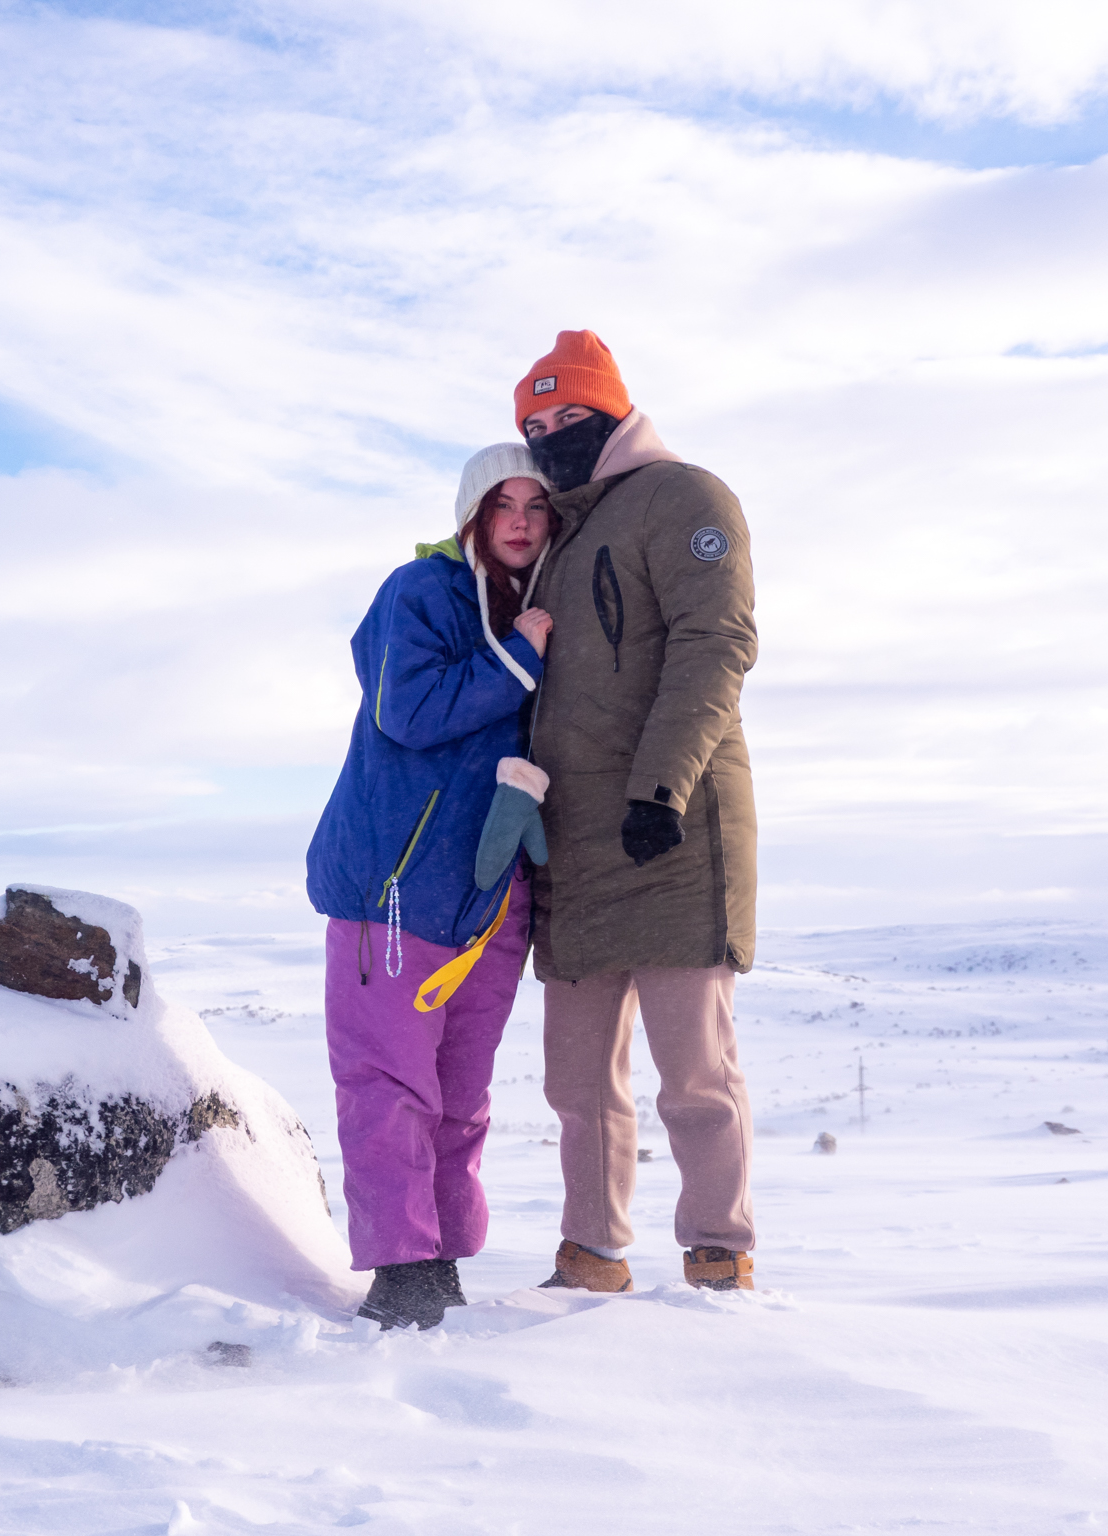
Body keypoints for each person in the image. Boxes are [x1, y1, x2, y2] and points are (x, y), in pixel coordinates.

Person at [514, 330, 762, 1293]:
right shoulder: (559, 534)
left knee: (694, 1076)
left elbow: (716, 643)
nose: (553, 436)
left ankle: (718, 1250)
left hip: (673, 826)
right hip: (573, 849)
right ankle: (591, 1254)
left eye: (570, 416)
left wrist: (662, 787)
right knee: (577, 1084)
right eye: (535, 425)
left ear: (614, 410)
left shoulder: (686, 497)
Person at [305, 443, 558, 1330]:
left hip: (488, 895)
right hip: (396, 887)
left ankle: (441, 1257)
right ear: (471, 518)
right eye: (502, 505)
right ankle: (399, 1268)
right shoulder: (422, 594)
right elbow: (403, 712)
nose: (520, 521)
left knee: (462, 1095)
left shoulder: (537, 606)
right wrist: (516, 662)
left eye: (535, 505)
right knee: (388, 1087)